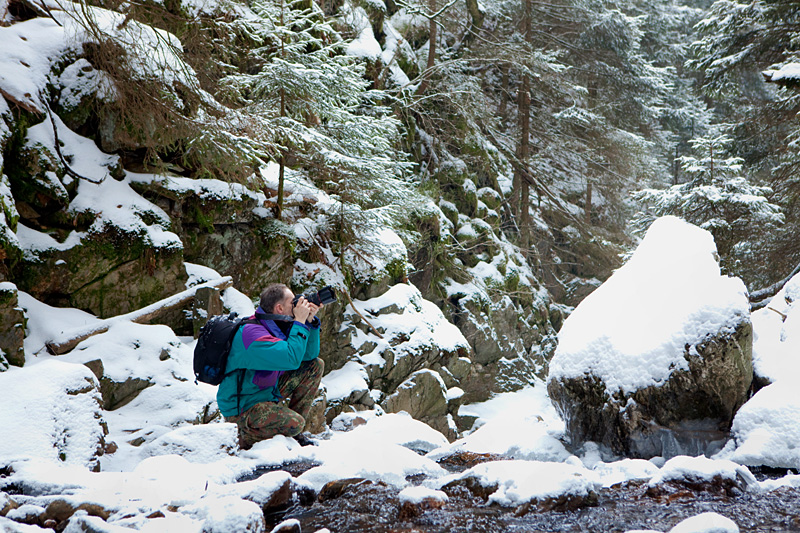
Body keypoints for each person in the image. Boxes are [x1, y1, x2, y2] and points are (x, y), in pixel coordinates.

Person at [217, 283, 324, 450]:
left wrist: (309, 322)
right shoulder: (252, 335)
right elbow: (292, 359)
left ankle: (294, 434)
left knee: (314, 366)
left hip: (264, 393)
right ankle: (243, 435)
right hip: (243, 407)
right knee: (296, 423)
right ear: (279, 308)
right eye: (293, 302)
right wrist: (300, 322)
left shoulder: (275, 326)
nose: (297, 306)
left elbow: (308, 356)